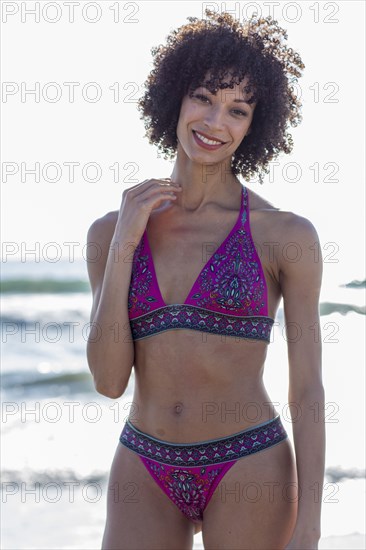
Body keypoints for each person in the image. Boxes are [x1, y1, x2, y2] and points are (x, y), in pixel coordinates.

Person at [86, 10, 325, 550]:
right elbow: (108, 381)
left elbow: (307, 388)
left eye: (238, 110)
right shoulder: (111, 232)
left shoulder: (282, 234)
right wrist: (126, 242)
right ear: (174, 97)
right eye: (204, 97)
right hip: (143, 463)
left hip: (249, 461)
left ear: (255, 126)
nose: (216, 122)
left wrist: (309, 524)